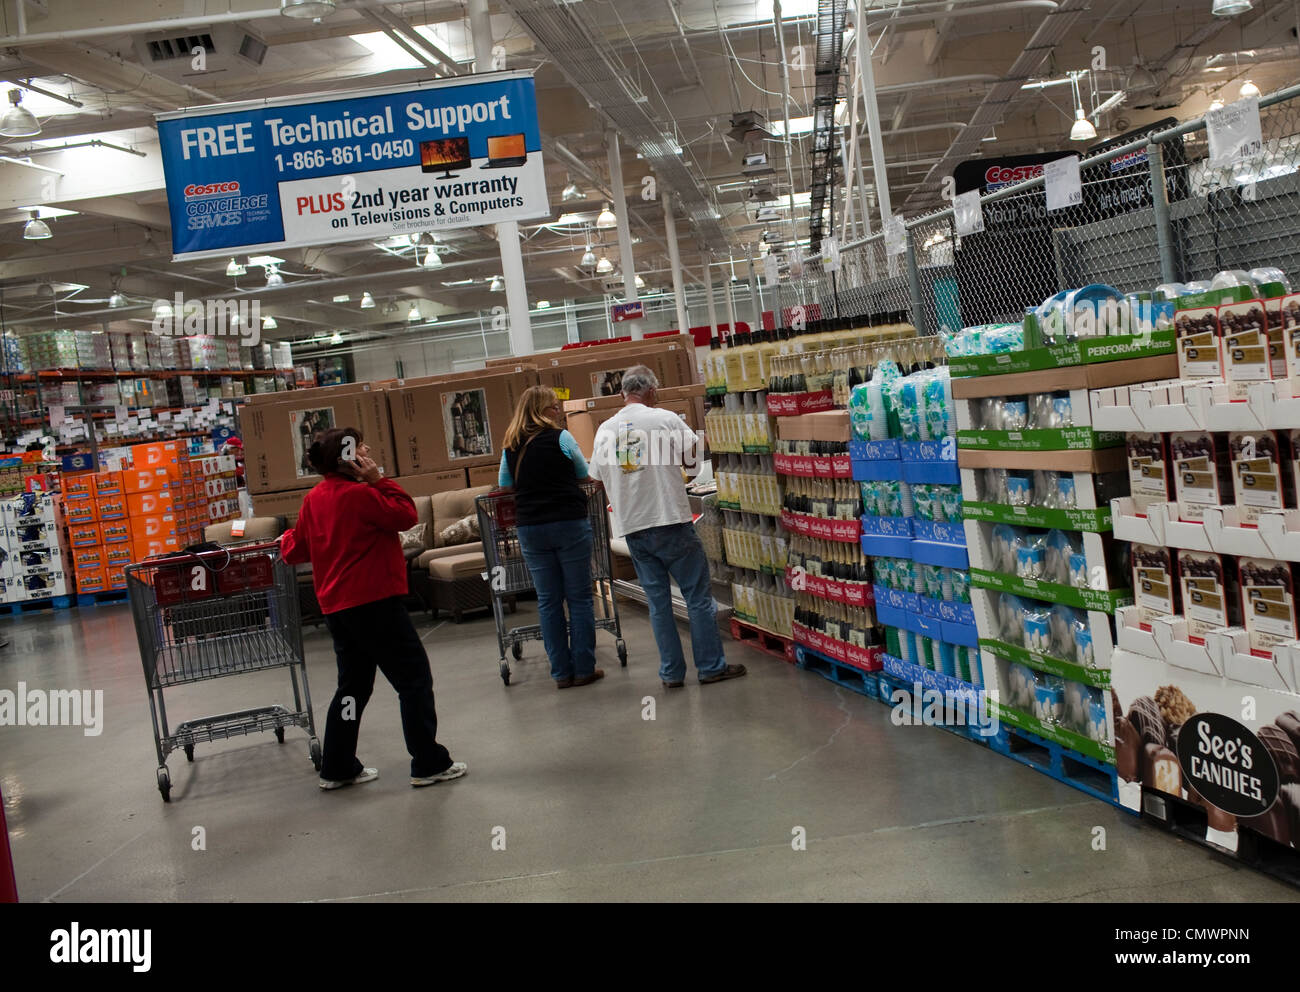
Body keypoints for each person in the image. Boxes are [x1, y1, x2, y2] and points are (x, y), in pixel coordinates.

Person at [280, 427, 467, 790]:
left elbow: (294, 550)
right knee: (413, 680)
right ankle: (428, 762)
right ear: (350, 459)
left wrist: (287, 536)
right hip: (374, 604)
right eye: (362, 447)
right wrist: (378, 479)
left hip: (338, 608)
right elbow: (405, 515)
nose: (368, 450)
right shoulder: (361, 495)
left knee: (353, 687)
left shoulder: (314, 499)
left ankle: (338, 765)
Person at [589, 365, 745, 690]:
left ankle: (672, 674)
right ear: (652, 391)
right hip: (671, 521)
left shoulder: (605, 430)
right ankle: (710, 667)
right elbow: (693, 462)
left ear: (623, 394)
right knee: (697, 597)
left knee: (658, 604)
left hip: (634, 528)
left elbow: (597, 479)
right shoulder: (665, 419)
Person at [499, 386, 600, 688]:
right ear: (541, 410)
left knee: (548, 601)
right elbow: (584, 474)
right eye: (554, 406)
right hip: (569, 523)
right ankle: (584, 669)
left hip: (531, 528)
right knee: (579, 598)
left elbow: (505, 486)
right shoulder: (561, 438)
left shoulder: (511, 444)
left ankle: (561, 674)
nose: (558, 411)